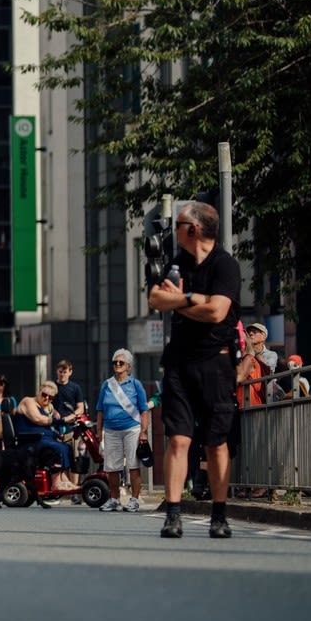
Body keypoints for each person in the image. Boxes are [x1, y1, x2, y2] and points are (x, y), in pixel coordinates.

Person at [148, 200, 241, 539]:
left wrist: (182, 300)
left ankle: (219, 515)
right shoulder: (176, 263)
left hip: (216, 363)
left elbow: (217, 312)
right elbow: (156, 299)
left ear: (194, 229)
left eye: (178, 226)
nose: (174, 232)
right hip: (179, 364)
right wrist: (196, 300)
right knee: (178, 439)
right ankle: (173, 515)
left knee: (216, 443)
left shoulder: (225, 265)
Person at [94, 348, 150, 513]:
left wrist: (144, 432)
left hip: (132, 429)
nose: (117, 365)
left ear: (128, 366)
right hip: (110, 430)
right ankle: (114, 499)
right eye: (115, 362)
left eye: (121, 362)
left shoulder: (135, 384)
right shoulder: (107, 385)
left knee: (133, 465)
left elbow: (144, 410)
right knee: (112, 467)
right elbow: (100, 409)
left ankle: (134, 500)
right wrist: (99, 430)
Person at [12, 382, 75, 486]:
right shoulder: (28, 401)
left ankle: (64, 480)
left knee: (66, 447)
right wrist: (62, 420)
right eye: (44, 395)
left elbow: (52, 420)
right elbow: (38, 419)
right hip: (30, 441)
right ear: (39, 392)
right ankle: (56, 483)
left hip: (43, 439)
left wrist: (57, 432)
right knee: (57, 448)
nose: (46, 398)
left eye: (50, 397)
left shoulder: (48, 407)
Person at [53, 359, 86, 496]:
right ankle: (61, 489)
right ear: (57, 371)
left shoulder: (75, 388)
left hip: (72, 429)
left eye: (65, 372)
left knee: (74, 459)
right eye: (60, 372)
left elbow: (81, 408)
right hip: (55, 429)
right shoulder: (52, 387)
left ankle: (74, 491)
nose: (62, 374)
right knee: (58, 460)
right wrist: (54, 413)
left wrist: (71, 416)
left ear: (70, 372)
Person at [236, 322, 274, 407]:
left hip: (249, 407)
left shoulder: (250, 359)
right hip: (246, 405)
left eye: (255, 332)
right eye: (249, 332)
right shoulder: (249, 358)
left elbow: (238, 377)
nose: (251, 334)